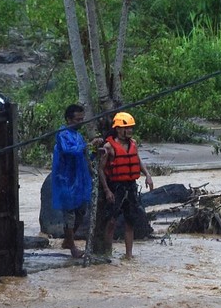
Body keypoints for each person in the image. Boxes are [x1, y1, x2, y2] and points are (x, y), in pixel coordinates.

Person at [99, 111, 154, 260]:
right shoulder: (109, 146)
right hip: (116, 187)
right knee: (111, 221)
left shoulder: (133, 143)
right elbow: (101, 170)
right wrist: (107, 190)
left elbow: (137, 160)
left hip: (130, 187)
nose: (129, 130)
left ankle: (129, 255)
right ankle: (107, 254)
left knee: (130, 221)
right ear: (118, 129)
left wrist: (148, 175)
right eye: (126, 127)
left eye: (131, 127)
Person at [51, 103, 96, 258]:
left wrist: (94, 151)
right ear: (69, 120)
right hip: (64, 180)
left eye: (82, 119)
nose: (81, 122)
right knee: (69, 215)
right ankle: (72, 248)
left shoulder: (78, 136)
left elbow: (85, 156)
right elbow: (69, 151)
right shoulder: (62, 134)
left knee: (81, 212)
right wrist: (88, 145)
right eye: (78, 119)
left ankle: (68, 240)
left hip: (79, 181)